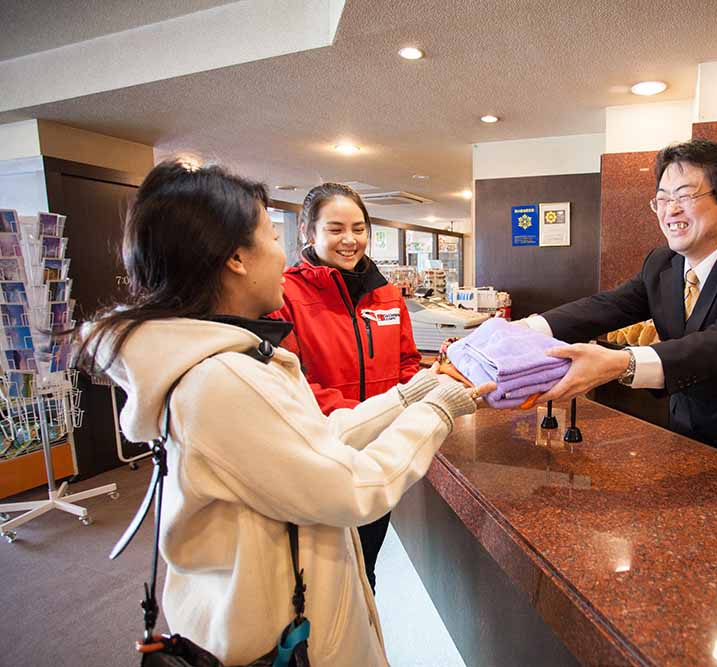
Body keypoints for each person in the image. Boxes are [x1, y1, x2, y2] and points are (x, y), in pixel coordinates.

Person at [79, 159, 493, 666]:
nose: (281, 255)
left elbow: (314, 436)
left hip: (289, 596)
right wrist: (439, 410)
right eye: (269, 236)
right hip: (284, 632)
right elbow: (351, 487)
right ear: (236, 257)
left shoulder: (228, 362)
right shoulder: (222, 381)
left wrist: (414, 392)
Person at [527, 139, 717, 481]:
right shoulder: (662, 263)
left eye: (685, 196)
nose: (670, 211)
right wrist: (520, 331)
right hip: (684, 440)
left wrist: (622, 362)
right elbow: (607, 306)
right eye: (662, 199)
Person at [273, 182, 420, 594]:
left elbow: (406, 362)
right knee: (323, 577)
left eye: (358, 228)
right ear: (307, 230)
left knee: (366, 567)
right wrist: (364, 417)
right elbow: (292, 380)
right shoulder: (283, 294)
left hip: (377, 457)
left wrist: (401, 412)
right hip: (322, 453)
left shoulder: (387, 295)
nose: (350, 240)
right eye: (335, 228)